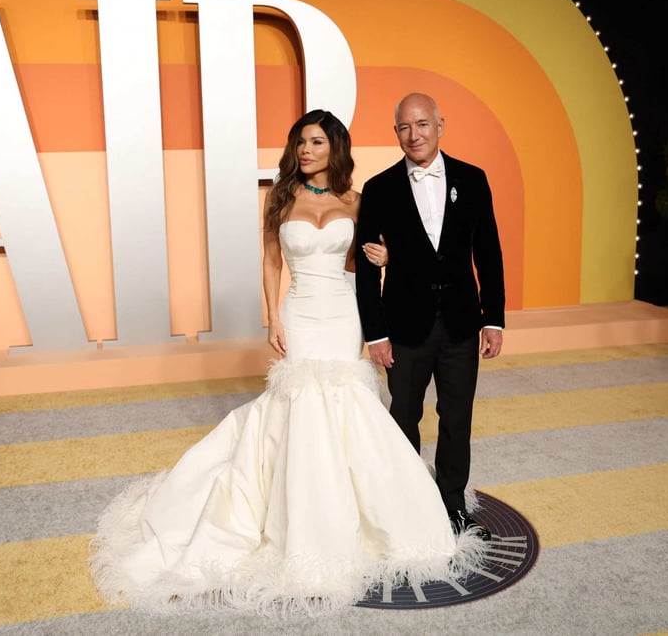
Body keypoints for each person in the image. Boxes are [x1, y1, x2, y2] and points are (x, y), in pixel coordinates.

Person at [89, 109, 487, 615]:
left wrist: (386, 262)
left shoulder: (360, 199)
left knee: (346, 405)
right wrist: (272, 318)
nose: (306, 150)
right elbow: (272, 260)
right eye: (300, 141)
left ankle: (369, 513)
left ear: (334, 148)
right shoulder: (281, 197)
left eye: (317, 142)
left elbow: (366, 262)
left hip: (344, 314)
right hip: (300, 312)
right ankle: (299, 517)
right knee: (300, 404)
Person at [354, 93, 505, 537]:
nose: (413, 134)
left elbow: (489, 254)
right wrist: (375, 333)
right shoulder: (379, 189)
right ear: (395, 133)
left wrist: (492, 319)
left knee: (457, 417)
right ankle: (407, 502)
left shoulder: (472, 180)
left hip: (461, 322)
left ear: (441, 125)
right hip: (403, 326)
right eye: (404, 127)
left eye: (422, 124)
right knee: (403, 417)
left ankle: (453, 503)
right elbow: (366, 269)